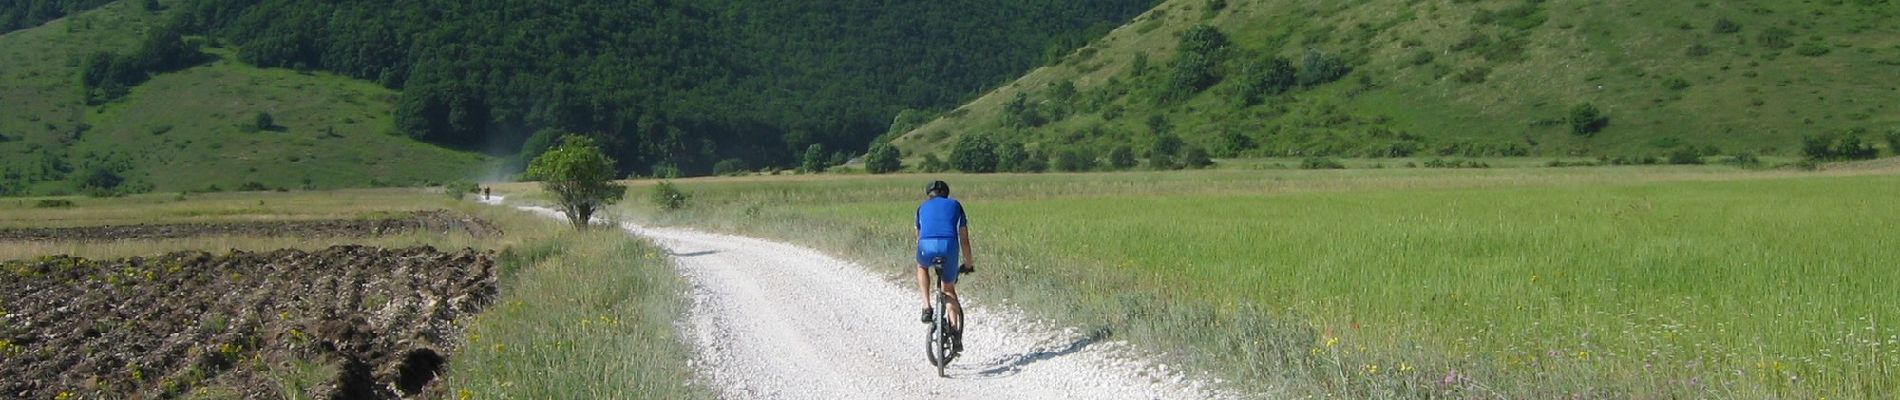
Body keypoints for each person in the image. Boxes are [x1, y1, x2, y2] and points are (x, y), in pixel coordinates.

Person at [915, 180, 973, 348]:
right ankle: (955, 332)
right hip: (949, 246)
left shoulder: (921, 208)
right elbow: (965, 240)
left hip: (926, 246)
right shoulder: (956, 205)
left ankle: (926, 306)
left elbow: (918, 237)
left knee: (922, 266)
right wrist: (968, 264)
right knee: (948, 289)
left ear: (929, 195)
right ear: (946, 193)